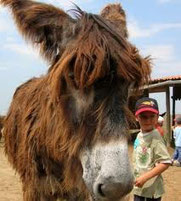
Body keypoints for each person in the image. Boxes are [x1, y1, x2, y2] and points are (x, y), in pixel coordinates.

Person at [133, 97, 171, 201]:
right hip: (139, 187)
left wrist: (145, 178)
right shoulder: (139, 135)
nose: (148, 120)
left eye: (152, 116)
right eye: (143, 117)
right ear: (136, 117)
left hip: (150, 191)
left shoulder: (155, 137)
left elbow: (166, 162)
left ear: (157, 116)